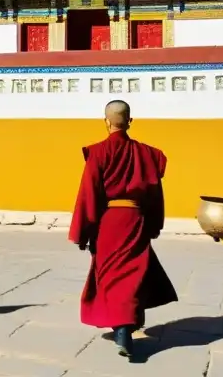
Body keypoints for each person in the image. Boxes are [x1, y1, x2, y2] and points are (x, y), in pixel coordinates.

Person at [68, 99, 178, 359]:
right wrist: (152, 224)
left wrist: (83, 231)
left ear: (106, 121)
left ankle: (122, 330)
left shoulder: (99, 153)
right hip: (135, 219)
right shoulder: (147, 154)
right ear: (130, 121)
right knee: (132, 275)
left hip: (109, 221)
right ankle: (126, 326)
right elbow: (154, 193)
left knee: (111, 276)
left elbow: (88, 195)